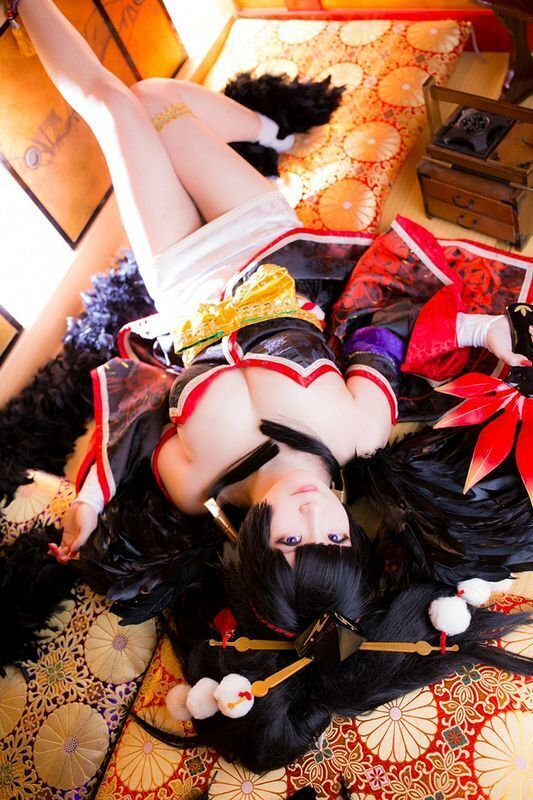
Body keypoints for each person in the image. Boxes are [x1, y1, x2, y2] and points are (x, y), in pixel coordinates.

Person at [5, 0, 533, 774]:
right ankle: (270, 133)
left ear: (251, 550)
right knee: (156, 97)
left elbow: (132, 410)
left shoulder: (194, 485)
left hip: (180, 282)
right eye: (338, 538)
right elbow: (383, 326)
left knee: (117, 107)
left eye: (292, 540)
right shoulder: (352, 430)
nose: (318, 514)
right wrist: (486, 331)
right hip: (262, 240)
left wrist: (88, 500)